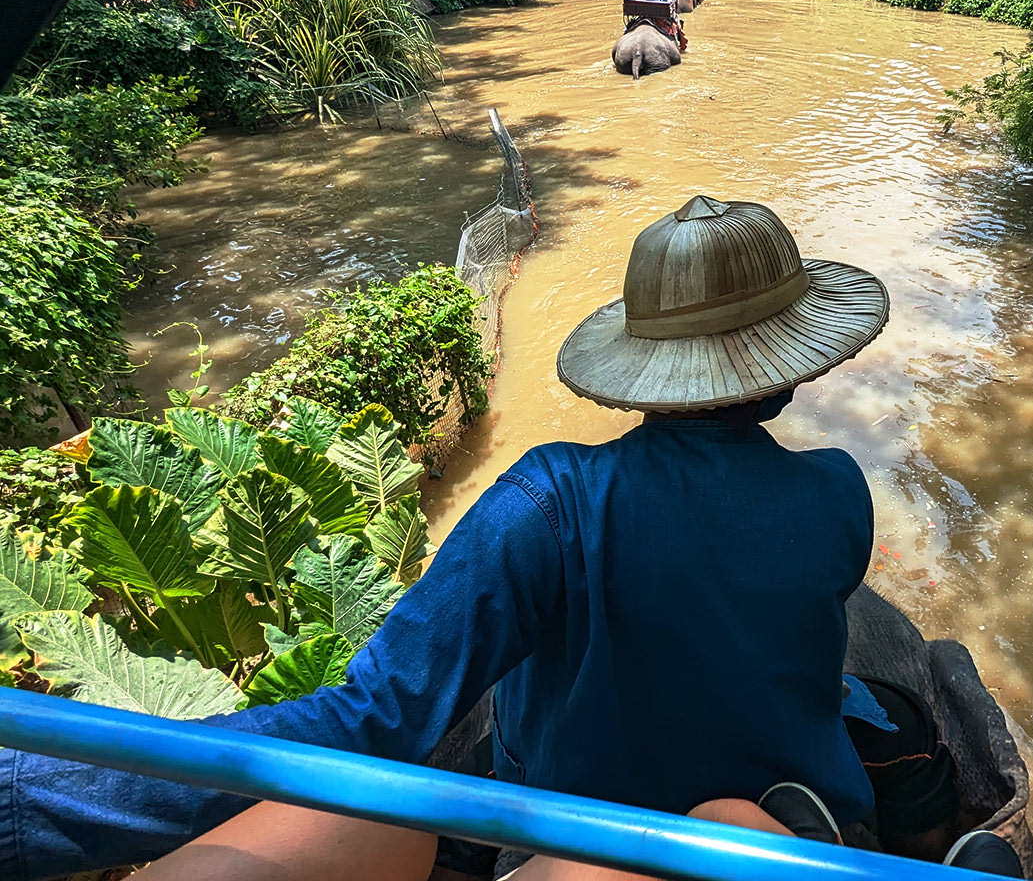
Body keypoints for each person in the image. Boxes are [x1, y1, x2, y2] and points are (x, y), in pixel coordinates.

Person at [0, 197, 896, 880]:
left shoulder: (550, 498)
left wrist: (28, 796)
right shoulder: (837, 494)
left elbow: (371, 719)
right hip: (793, 809)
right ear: (790, 369)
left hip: (575, 830)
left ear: (643, 362)